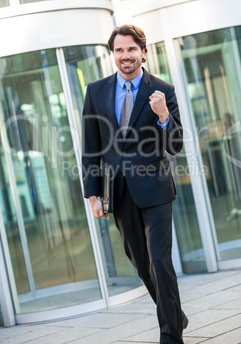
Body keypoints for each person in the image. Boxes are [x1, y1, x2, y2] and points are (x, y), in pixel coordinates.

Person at [82, 24, 188, 344]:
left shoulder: (162, 89)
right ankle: (175, 315)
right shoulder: (96, 91)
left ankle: (171, 336)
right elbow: (91, 147)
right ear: (112, 53)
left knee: (159, 260)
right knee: (142, 265)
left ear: (143, 51)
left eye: (131, 49)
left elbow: (176, 144)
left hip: (155, 190)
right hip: (118, 191)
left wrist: (163, 115)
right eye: (119, 50)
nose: (125, 56)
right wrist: (92, 194)